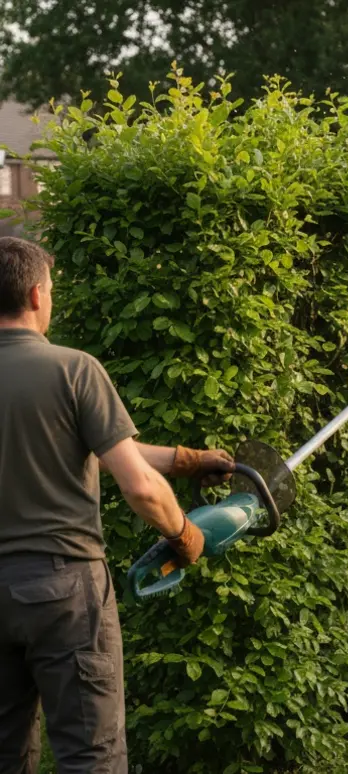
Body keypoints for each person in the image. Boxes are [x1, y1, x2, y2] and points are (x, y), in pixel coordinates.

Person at [0, 237, 235, 773]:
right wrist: (184, 534)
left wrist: (184, 458)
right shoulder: (73, 369)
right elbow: (140, 487)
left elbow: (102, 449)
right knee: (92, 756)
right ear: (37, 294)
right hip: (63, 590)